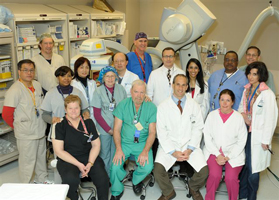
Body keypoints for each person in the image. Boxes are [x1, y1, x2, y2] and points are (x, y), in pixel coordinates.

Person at [154, 74, 208, 200]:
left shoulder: (194, 105)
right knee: (158, 171)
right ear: (173, 85)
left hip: (189, 144)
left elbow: (198, 127)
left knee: (204, 171)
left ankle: (193, 187)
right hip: (170, 146)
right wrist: (173, 152)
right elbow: (161, 131)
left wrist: (190, 149)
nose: (180, 88)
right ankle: (168, 192)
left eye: (184, 85)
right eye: (178, 84)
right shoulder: (163, 106)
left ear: (187, 87)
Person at [52, 95, 109, 200]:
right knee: (70, 180)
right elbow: (59, 151)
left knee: (103, 179)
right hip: (67, 159)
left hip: (88, 156)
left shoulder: (88, 122)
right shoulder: (59, 125)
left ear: (80, 108)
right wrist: (79, 165)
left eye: (76, 108)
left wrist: (90, 163)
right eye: (70, 108)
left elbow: (96, 145)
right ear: (65, 109)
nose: (73, 111)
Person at [2, 59, 49, 183]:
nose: (29, 73)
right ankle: (26, 186)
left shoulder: (37, 85)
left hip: (39, 129)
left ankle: (42, 180)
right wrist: (18, 126)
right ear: (19, 72)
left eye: (31, 70)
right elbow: (7, 114)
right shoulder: (14, 90)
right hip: (26, 134)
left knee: (41, 158)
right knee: (27, 162)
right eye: (25, 70)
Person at [110, 79, 157, 200]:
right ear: (131, 91)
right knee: (115, 166)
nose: (139, 95)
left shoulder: (151, 107)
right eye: (136, 92)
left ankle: (136, 179)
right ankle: (116, 190)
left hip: (142, 144)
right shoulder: (123, 105)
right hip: (124, 143)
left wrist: (146, 151)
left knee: (147, 167)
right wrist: (119, 149)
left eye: (142, 92)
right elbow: (116, 129)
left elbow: (152, 132)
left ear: (145, 93)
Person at [238, 61, 278, 200]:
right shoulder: (247, 90)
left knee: (253, 168)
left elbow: (271, 119)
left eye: (254, 74)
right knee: (244, 165)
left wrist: (266, 140)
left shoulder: (267, 94)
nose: (250, 76)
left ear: (261, 75)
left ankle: (251, 196)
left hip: (259, 137)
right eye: (249, 73)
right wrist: (243, 116)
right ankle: (242, 194)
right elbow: (241, 108)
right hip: (246, 133)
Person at [203, 89, 247, 200]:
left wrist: (229, 156)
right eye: (222, 100)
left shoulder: (238, 118)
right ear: (219, 101)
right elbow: (207, 137)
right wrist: (218, 155)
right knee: (214, 175)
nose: (224, 103)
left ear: (232, 102)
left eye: (228, 100)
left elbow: (242, 140)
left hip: (233, 154)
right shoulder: (212, 115)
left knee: (231, 178)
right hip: (214, 152)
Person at [92, 66, 127, 176]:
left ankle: (115, 177)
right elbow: (97, 114)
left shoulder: (121, 89)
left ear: (116, 77)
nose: (110, 79)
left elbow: (125, 109)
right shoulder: (98, 91)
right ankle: (105, 178)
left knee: (117, 153)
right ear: (103, 77)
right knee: (105, 155)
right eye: (107, 76)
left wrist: (120, 129)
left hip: (119, 128)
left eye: (112, 76)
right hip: (104, 130)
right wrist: (108, 130)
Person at [41, 66, 89, 135]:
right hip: (58, 130)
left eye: (69, 76)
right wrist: (52, 120)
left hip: (76, 130)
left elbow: (85, 109)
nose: (66, 78)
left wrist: (86, 114)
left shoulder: (78, 92)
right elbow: (45, 115)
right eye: (63, 76)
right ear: (57, 77)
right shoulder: (50, 93)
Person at [72, 57, 97, 123]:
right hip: (78, 115)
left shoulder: (92, 82)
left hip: (93, 115)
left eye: (87, 67)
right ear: (76, 69)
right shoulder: (72, 84)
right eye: (81, 67)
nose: (84, 70)